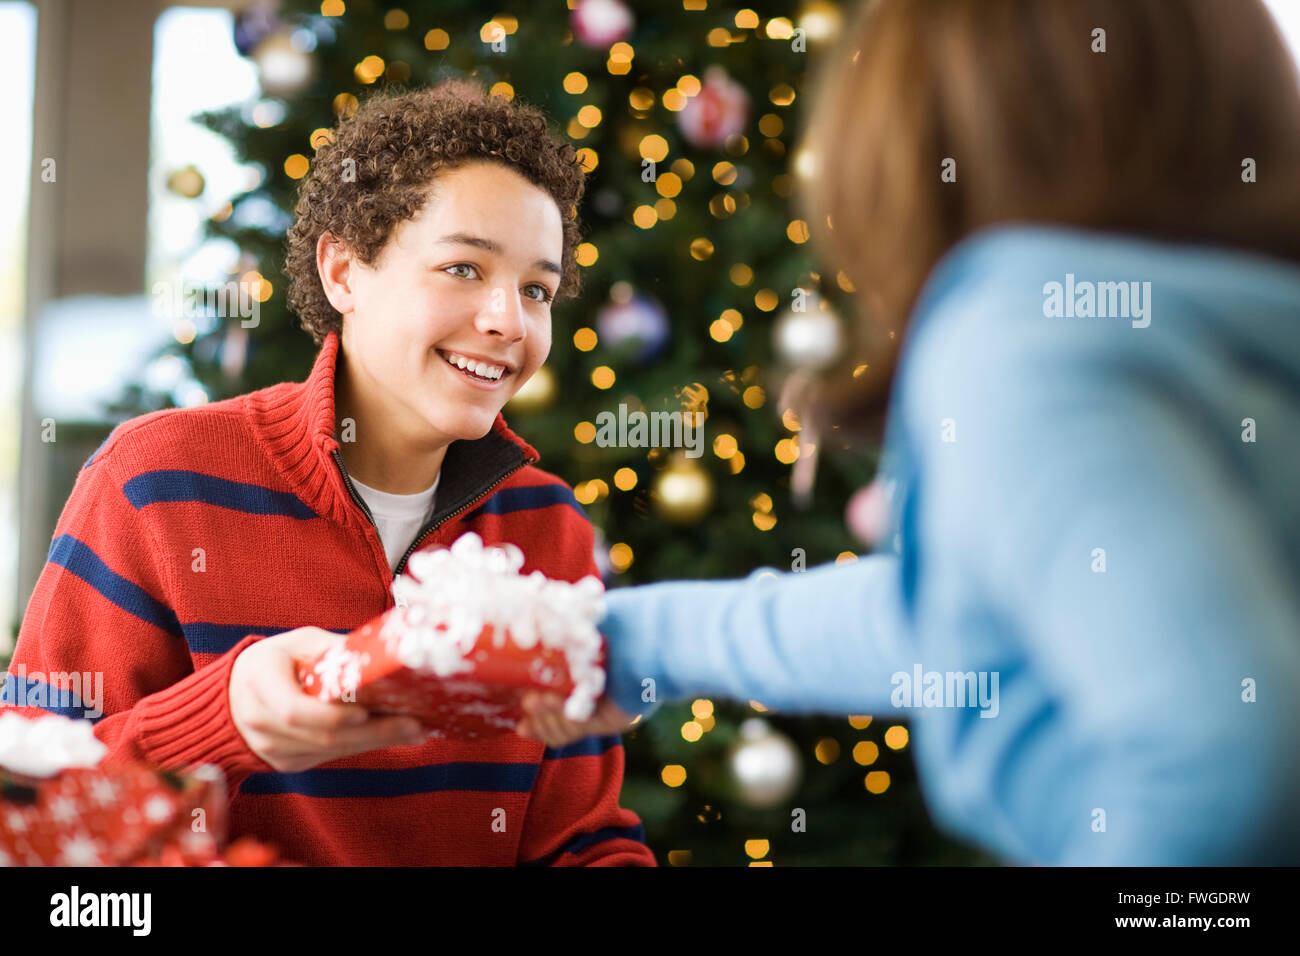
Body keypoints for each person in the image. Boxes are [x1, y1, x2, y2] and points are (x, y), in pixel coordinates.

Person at [518, 0, 1300, 865]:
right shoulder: (1231, 325)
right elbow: (959, 622)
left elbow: (1230, 760)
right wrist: (637, 643)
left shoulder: (1022, 339)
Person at [1, 81, 653, 866]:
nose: (508, 322)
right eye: (462, 269)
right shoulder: (155, 481)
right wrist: (225, 718)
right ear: (344, 271)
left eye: (536, 290)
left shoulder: (547, 526)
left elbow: (583, 843)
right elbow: (30, 799)